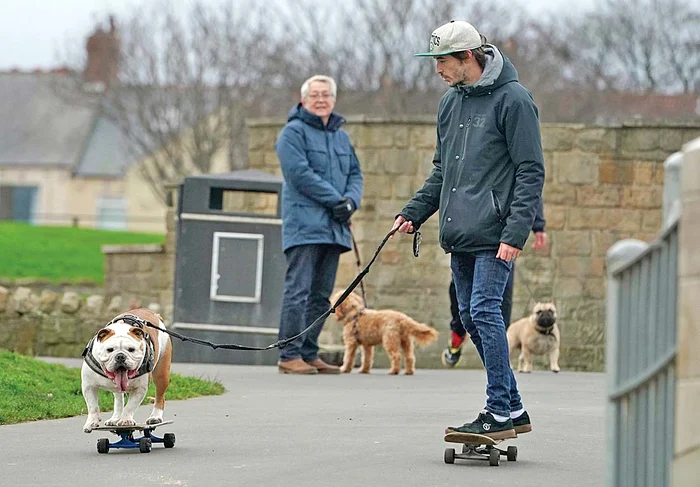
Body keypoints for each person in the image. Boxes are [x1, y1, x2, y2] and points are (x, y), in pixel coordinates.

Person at [392, 21, 545, 439]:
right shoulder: (449, 104)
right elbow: (443, 172)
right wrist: (415, 211)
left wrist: (516, 234)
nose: (437, 69)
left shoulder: (514, 100)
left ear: (468, 57)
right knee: (468, 318)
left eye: (442, 61)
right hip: (460, 231)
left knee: (482, 310)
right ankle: (513, 407)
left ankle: (496, 413)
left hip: (497, 233)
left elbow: (531, 172)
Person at [275, 75, 364, 375]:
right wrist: (337, 200)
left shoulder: (341, 137)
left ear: (334, 100)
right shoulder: (292, 133)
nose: (321, 99)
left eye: (326, 94)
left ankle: (309, 352)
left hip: (334, 227)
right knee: (298, 290)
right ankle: (288, 354)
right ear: (303, 100)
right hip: (304, 225)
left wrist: (351, 201)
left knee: (321, 294)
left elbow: (356, 174)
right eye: (315, 95)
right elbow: (299, 174)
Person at [442, 200, 547, 367]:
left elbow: (528, 186)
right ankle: (458, 331)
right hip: (468, 232)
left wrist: (538, 224)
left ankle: (498, 361)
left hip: (500, 237)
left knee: (499, 298)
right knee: (459, 291)